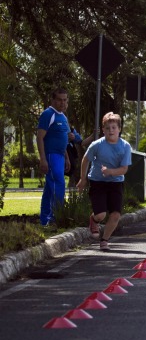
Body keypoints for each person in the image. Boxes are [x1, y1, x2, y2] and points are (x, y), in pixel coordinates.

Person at [77, 112, 132, 250]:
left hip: (116, 182)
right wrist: (83, 179)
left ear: (119, 129)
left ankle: (104, 240)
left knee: (115, 215)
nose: (111, 131)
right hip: (98, 181)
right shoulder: (97, 145)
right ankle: (94, 220)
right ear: (103, 130)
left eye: (114, 127)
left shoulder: (125, 146)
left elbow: (124, 169)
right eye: (107, 128)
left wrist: (111, 172)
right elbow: (85, 159)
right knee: (101, 215)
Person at [36, 88, 73, 226]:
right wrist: (43, 159)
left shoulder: (63, 117)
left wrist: (67, 158)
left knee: (49, 189)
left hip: (61, 156)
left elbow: (64, 139)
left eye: (65, 100)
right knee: (59, 184)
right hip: (51, 156)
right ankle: (57, 217)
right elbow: (40, 138)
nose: (62, 103)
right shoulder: (48, 114)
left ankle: (45, 220)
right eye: (59, 100)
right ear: (53, 100)